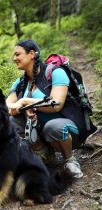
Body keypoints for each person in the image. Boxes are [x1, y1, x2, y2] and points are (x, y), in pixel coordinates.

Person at [6, 39, 84, 178]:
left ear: (31, 54)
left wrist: (24, 101)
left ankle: (70, 160)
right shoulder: (21, 82)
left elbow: (56, 104)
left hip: (66, 128)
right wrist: (22, 109)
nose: (14, 58)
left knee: (53, 126)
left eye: (17, 54)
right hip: (40, 129)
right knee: (12, 122)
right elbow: (8, 105)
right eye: (14, 55)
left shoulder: (55, 72)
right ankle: (46, 156)